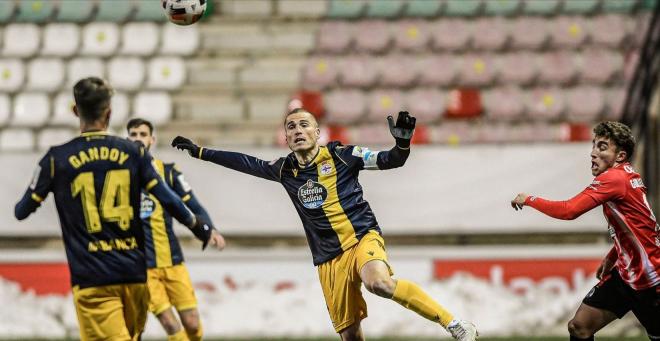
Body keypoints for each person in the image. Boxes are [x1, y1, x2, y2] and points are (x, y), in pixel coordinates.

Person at [171, 109, 478, 341]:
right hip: (328, 259)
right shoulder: (284, 170)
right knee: (350, 336)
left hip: (361, 238)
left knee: (379, 283)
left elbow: (392, 159)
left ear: (317, 132)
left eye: (304, 124)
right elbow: (244, 162)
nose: (297, 130)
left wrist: (403, 143)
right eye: (291, 127)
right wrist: (200, 152)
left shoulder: (344, 156)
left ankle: (454, 324)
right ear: (286, 138)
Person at [14, 77, 223, 341]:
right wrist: (198, 226)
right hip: (135, 276)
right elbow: (169, 199)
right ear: (109, 112)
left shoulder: (57, 159)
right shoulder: (133, 153)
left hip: (94, 276)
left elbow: (22, 211)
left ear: (76, 111)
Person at [511, 121, 659, 340]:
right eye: (593, 145)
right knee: (579, 326)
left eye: (602, 147)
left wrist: (529, 199)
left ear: (620, 156)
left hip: (650, 281)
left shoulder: (613, 179)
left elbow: (569, 210)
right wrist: (612, 258)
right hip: (626, 276)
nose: (592, 153)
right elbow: (636, 231)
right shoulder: (626, 177)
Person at [127, 118, 226, 341]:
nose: (138, 139)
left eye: (143, 134)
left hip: (172, 260)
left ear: (152, 140)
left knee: (192, 324)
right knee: (169, 323)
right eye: (133, 134)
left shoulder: (169, 172)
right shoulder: (121, 176)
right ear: (127, 139)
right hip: (143, 267)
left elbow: (194, 205)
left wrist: (210, 229)